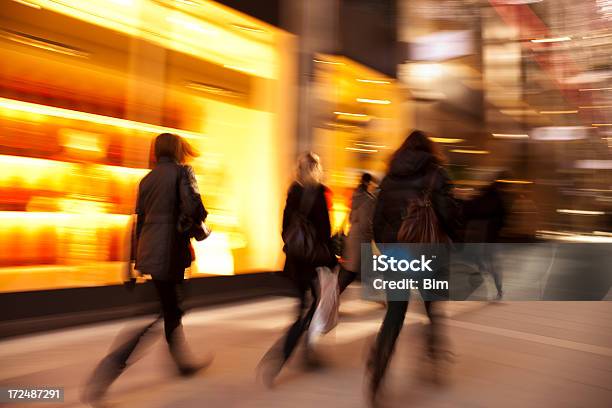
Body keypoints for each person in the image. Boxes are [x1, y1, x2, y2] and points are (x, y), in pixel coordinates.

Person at [83, 133, 210, 405]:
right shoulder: (183, 172)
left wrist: (130, 263)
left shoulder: (147, 180)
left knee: (171, 310)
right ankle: (106, 373)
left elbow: (137, 223)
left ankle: (182, 364)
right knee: (157, 315)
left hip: (150, 253)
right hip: (171, 254)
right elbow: (196, 210)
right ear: (177, 150)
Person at [366, 130, 458, 403]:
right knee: (433, 307)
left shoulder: (390, 177)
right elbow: (451, 214)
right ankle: (434, 353)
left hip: (396, 254)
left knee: (394, 314)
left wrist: (388, 250)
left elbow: (377, 220)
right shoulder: (436, 174)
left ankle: (378, 369)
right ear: (428, 149)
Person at [258, 152, 337, 386]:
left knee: (304, 305)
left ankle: (306, 353)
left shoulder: (292, 192)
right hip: (312, 261)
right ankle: (281, 355)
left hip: (295, 260)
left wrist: (294, 246)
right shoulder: (320, 194)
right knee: (310, 308)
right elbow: (324, 231)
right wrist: (331, 260)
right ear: (316, 168)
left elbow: (283, 228)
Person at [338, 173, 378, 293]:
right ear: (368, 183)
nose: (375, 186)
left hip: (353, 237)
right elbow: (366, 223)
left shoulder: (355, 196)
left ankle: (376, 294)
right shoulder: (368, 200)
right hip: (361, 239)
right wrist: (373, 236)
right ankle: (332, 295)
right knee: (351, 273)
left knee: (365, 270)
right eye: (373, 184)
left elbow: (351, 219)